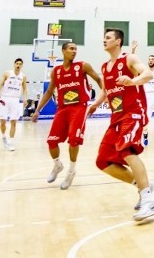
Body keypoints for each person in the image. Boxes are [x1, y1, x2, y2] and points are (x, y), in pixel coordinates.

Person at [87, 28, 154, 221]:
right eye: (104, 37)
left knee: (127, 150)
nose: (104, 40)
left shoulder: (129, 59)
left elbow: (148, 75)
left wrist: (132, 81)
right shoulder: (104, 67)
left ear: (118, 41)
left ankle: (148, 200)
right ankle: (142, 185)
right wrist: (94, 104)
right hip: (116, 117)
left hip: (134, 112)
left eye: (108, 37)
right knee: (102, 161)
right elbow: (105, 90)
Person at [32, 42, 102, 190]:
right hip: (62, 108)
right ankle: (57, 165)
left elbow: (99, 80)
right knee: (51, 142)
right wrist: (38, 110)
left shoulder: (83, 66)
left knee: (74, 141)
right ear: (63, 51)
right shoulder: (56, 71)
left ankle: (71, 171)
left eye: (76, 49)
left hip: (79, 107)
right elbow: (49, 92)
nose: (74, 51)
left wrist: (104, 96)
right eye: (71, 48)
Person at [0, 58, 27, 151]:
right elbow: (0, 84)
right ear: (14, 64)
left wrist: (25, 99)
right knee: (2, 122)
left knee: (14, 122)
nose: (18, 65)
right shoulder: (7, 73)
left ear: (22, 65)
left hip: (15, 100)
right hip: (5, 98)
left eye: (20, 64)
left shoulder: (23, 76)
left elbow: (25, 89)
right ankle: (3, 137)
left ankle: (11, 142)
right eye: (17, 63)